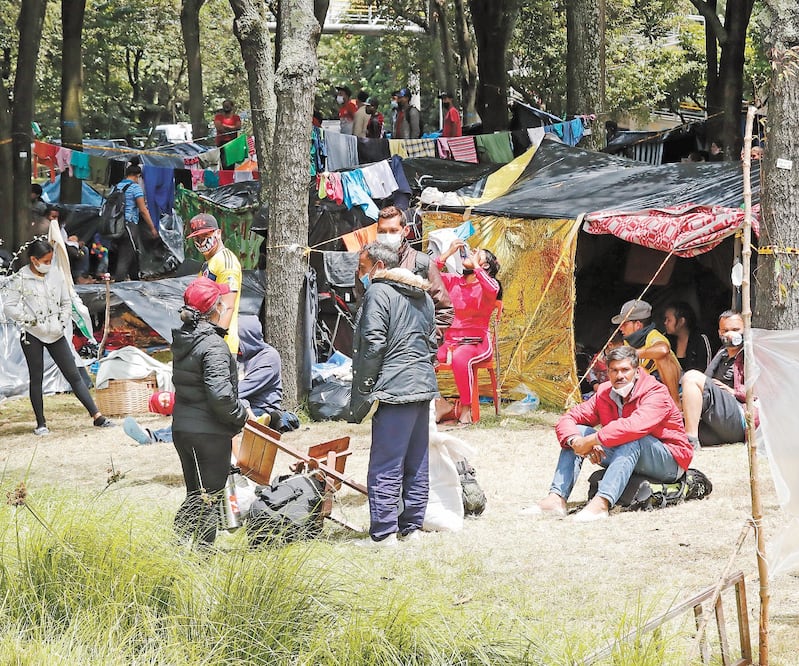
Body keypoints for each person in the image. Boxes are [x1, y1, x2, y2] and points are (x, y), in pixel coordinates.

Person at [521, 346, 693, 521]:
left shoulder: (656, 392)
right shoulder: (604, 392)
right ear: (608, 372)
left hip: (670, 461)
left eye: (625, 370)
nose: (620, 376)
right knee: (577, 431)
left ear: (637, 370)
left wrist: (593, 440)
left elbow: (633, 427)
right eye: (614, 370)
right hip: (625, 451)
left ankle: (602, 503)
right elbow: (569, 418)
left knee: (632, 439)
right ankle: (556, 498)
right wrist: (576, 441)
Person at [350, 242, 439, 547]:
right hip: (422, 385)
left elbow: (373, 344)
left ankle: (384, 532)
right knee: (416, 460)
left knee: (386, 462)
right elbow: (432, 341)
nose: (361, 275)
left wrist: (363, 391)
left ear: (380, 267)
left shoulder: (378, 291)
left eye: (363, 268)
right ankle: (411, 527)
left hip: (395, 387)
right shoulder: (424, 296)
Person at [2, 239, 114, 435]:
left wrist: (63, 321)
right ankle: (41, 423)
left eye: (50, 260)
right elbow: (9, 306)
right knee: (36, 378)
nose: (48, 264)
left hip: (55, 331)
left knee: (73, 375)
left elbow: (65, 301)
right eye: (45, 260)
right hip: (32, 333)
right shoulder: (20, 279)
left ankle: (97, 416)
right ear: (34, 260)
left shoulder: (56, 274)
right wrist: (28, 319)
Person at [171, 277, 249, 547]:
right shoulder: (213, 346)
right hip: (208, 433)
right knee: (208, 499)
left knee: (196, 495)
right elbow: (220, 396)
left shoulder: (184, 339)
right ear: (214, 308)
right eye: (222, 303)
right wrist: (241, 416)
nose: (226, 307)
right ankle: (198, 555)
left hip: (183, 428)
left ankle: (181, 549)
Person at [360, 206, 453, 343]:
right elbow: (360, 304)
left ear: (405, 231)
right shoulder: (367, 260)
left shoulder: (421, 262)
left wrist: (427, 343)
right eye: (382, 231)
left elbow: (445, 310)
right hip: (377, 348)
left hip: (413, 354)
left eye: (393, 231)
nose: (387, 236)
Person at [434, 239, 502, 425]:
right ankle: (439, 403)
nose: (470, 252)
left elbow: (493, 287)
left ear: (485, 265)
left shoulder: (488, 286)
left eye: (477, 253)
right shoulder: (454, 281)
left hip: (477, 343)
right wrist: (447, 253)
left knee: (461, 358)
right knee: (423, 354)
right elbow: (427, 274)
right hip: (449, 341)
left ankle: (466, 408)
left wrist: (476, 267)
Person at [680, 310, 757, 449]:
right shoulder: (721, 354)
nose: (730, 334)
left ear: (745, 330)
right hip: (718, 422)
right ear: (719, 333)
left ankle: (691, 441)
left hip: (740, 417)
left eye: (735, 330)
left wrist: (734, 392)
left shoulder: (752, 354)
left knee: (691, 376)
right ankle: (690, 436)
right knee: (672, 428)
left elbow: (763, 392)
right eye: (725, 330)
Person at [186, 213, 241, 354]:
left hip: (220, 346)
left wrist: (216, 345)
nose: (200, 242)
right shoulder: (208, 264)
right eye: (196, 238)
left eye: (205, 236)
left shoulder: (226, 262)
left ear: (218, 233)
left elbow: (227, 306)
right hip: (204, 341)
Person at [611, 299, 682, 406]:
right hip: (651, 389)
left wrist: (633, 353)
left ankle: (676, 404)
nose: (620, 327)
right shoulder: (627, 342)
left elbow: (663, 350)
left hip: (675, 386)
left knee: (662, 357)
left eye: (624, 323)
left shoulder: (652, 335)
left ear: (638, 325)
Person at [110, 164, 158, 283]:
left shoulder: (117, 187)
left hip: (116, 226)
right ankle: (118, 288)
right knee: (125, 257)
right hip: (129, 226)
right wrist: (152, 228)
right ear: (138, 176)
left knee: (133, 252)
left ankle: (135, 280)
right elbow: (143, 210)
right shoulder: (135, 188)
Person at [663, 301, 712, 372]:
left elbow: (706, 370)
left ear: (681, 321)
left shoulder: (700, 339)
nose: (665, 323)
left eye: (669, 320)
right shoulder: (665, 339)